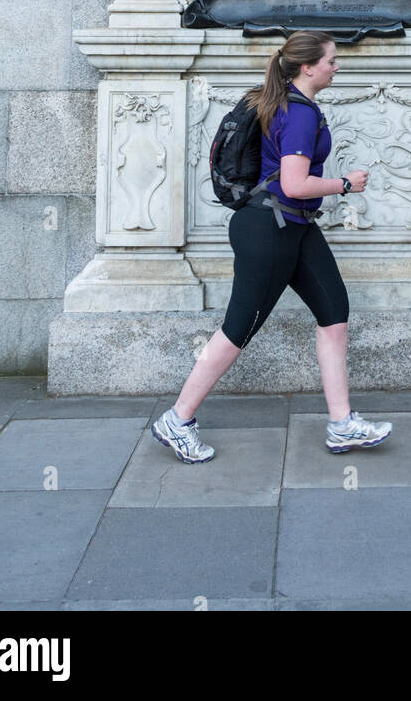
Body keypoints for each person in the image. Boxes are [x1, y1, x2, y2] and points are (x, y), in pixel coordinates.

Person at [152, 30, 393, 462]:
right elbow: (294, 184)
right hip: (270, 229)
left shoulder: (289, 104)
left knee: (334, 313)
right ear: (308, 66)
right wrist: (344, 185)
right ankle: (178, 418)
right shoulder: (298, 113)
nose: (337, 67)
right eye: (332, 61)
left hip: (294, 226)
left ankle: (342, 424)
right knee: (238, 328)